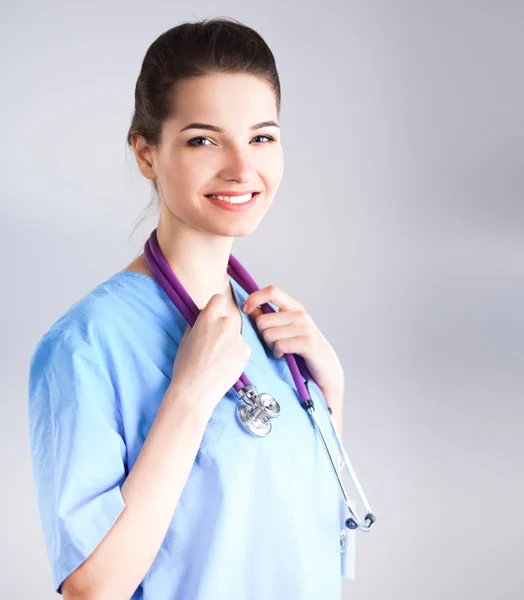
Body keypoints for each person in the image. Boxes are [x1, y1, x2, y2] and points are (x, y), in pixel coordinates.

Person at [28, 17, 347, 600]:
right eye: (204, 139)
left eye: (262, 136)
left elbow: (304, 541)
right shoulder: (86, 344)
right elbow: (90, 589)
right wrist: (190, 396)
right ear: (146, 153)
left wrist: (332, 398)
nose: (241, 168)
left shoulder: (275, 335)